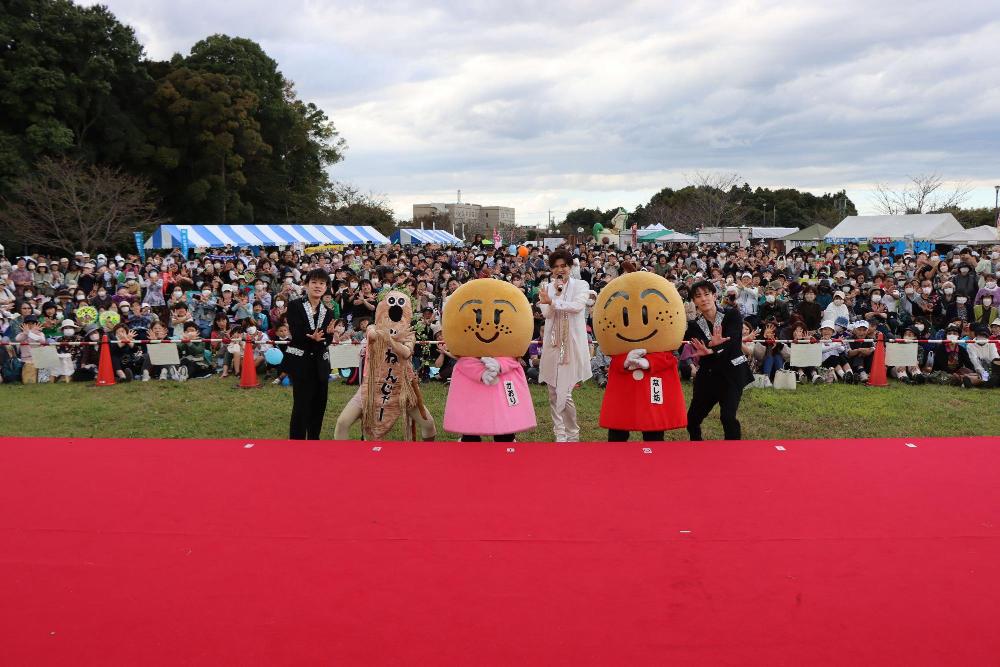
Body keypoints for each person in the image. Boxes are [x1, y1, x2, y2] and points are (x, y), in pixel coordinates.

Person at [684, 281, 752, 441]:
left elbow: (734, 342)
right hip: (708, 376)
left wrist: (712, 349)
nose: (703, 299)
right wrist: (709, 347)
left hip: (732, 374)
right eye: (698, 296)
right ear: (694, 301)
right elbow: (695, 344)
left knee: (728, 418)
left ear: (714, 296)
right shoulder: (694, 325)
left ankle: (732, 454)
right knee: (692, 420)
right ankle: (697, 449)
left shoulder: (731, 315)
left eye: (707, 294)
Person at [537, 249, 592, 442]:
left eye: (563, 266)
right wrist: (551, 299)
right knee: (553, 390)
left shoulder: (581, 285)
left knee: (565, 390)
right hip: (553, 343)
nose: (560, 270)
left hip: (572, 343)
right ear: (551, 270)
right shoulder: (547, 287)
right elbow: (547, 314)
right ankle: (559, 432)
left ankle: (572, 433)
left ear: (570, 267)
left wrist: (554, 300)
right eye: (556, 267)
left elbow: (577, 307)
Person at [284, 269, 337, 440]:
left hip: (320, 365)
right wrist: (313, 338)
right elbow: (297, 332)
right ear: (306, 285)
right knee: (301, 406)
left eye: (322, 283)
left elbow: (325, 340)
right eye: (314, 282)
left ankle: (314, 441)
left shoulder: (328, 312)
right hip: (301, 363)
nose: (318, 286)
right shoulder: (294, 306)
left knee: (319, 405)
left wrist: (328, 336)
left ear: (326, 287)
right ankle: (297, 444)